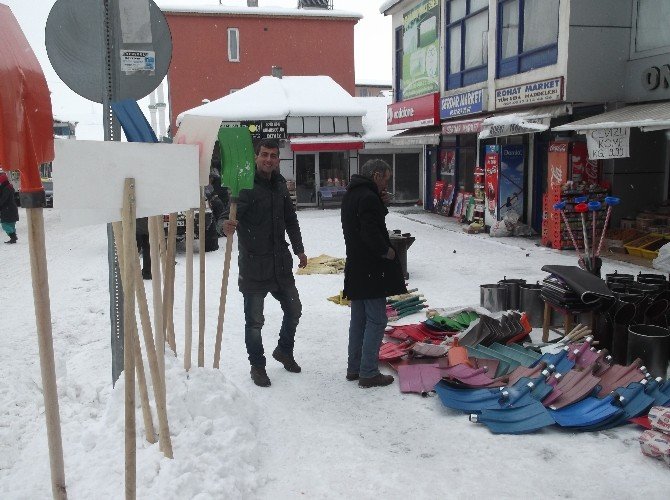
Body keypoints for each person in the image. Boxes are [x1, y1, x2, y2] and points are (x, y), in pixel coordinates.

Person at [222, 138, 307, 387]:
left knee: (294, 310)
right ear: (256, 158)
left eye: (273, 155)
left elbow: (291, 220)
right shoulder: (245, 187)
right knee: (255, 323)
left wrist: (300, 250)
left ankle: (283, 350)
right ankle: (257, 366)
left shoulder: (280, 185)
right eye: (264, 155)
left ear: (278, 159)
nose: (269, 159)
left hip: (280, 263)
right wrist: (223, 225)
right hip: (254, 268)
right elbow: (225, 216)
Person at [340, 159, 406, 388]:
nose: (386, 184)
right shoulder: (367, 197)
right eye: (385, 178)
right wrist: (386, 252)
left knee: (359, 320)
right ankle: (368, 372)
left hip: (357, 267)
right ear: (376, 176)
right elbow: (369, 230)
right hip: (370, 268)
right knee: (377, 320)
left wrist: (380, 202)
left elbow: (363, 222)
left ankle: (354, 367)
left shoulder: (353, 194)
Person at [0, 172, 19, 244]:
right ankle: (13, 239)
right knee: (11, 224)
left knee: (4, 224)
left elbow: (3, 199)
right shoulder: (7, 187)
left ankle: (13, 236)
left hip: (8, 209)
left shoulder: (6, 188)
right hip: (11, 209)